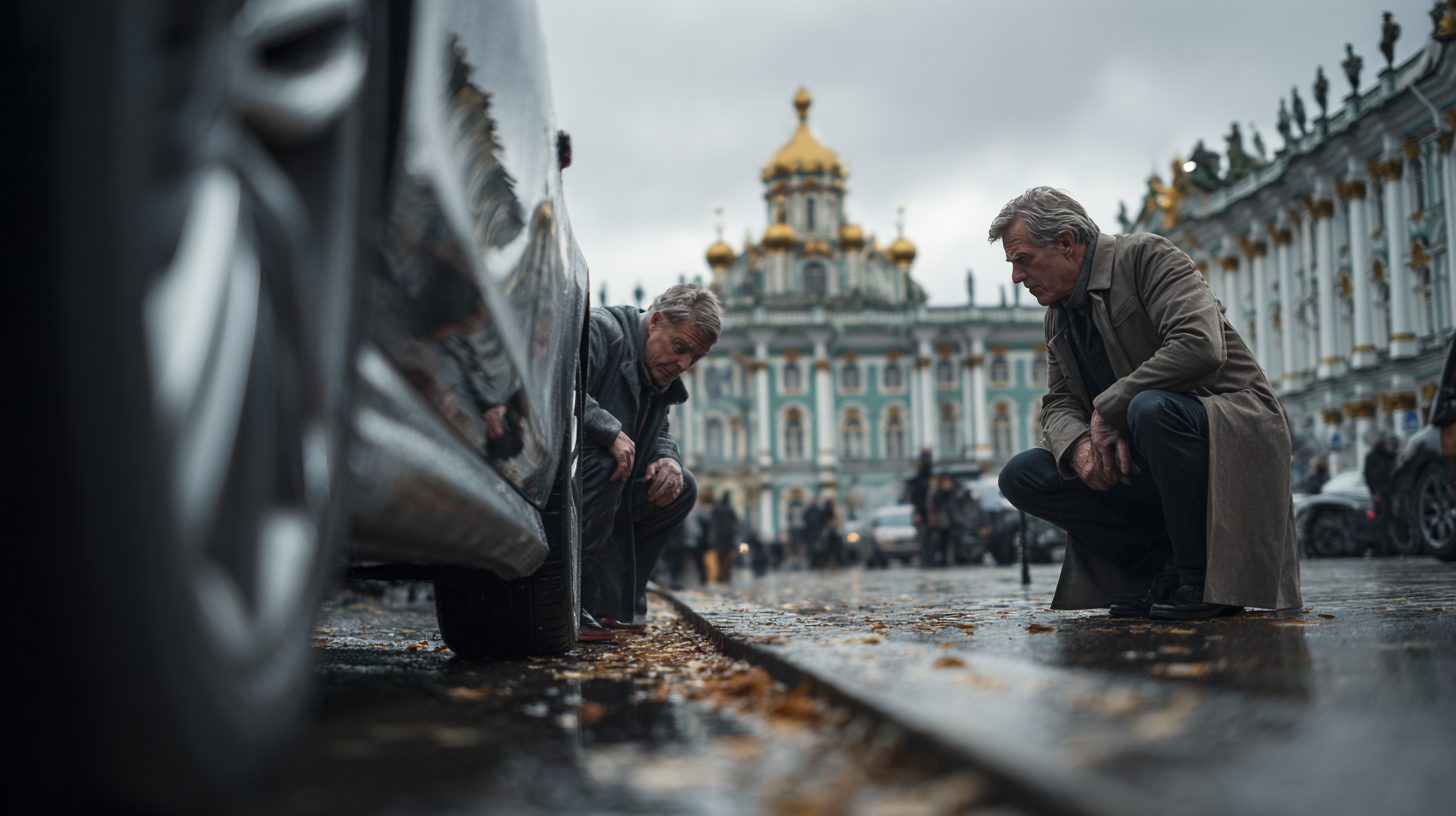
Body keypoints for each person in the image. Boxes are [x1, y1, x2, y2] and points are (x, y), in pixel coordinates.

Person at [989, 187, 1300, 621]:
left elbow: (1199, 345)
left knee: (1150, 409)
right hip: (1138, 451)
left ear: (1065, 242)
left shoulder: (1146, 257)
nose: (1017, 277)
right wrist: (1078, 444)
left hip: (1223, 431)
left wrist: (1107, 408)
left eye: (1023, 259)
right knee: (1023, 475)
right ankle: (1159, 570)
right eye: (1012, 264)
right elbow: (1058, 400)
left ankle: (1200, 580)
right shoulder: (1058, 314)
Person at [579, 284, 721, 641]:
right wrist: (608, 431)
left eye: (695, 358)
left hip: (611, 480)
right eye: (680, 348)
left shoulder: (655, 371)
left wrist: (666, 460)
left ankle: (619, 601)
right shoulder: (601, 331)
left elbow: (658, 431)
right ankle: (574, 598)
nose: (684, 365)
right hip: (568, 480)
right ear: (656, 321)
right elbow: (559, 386)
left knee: (682, 487)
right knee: (608, 464)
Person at [1364, 434, 1399, 549]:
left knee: (1390, 518)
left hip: (1389, 489)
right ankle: (1384, 546)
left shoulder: (1388, 455)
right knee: (1382, 519)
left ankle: (1391, 544)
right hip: (1380, 491)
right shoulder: (1372, 456)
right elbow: (1369, 477)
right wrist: (1374, 493)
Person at [709, 491, 740, 584]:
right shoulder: (730, 510)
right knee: (727, 557)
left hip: (719, 536)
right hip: (728, 537)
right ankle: (726, 575)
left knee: (719, 557)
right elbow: (736, 523)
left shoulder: (717, 509)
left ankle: (720, 575)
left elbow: (712, 521)